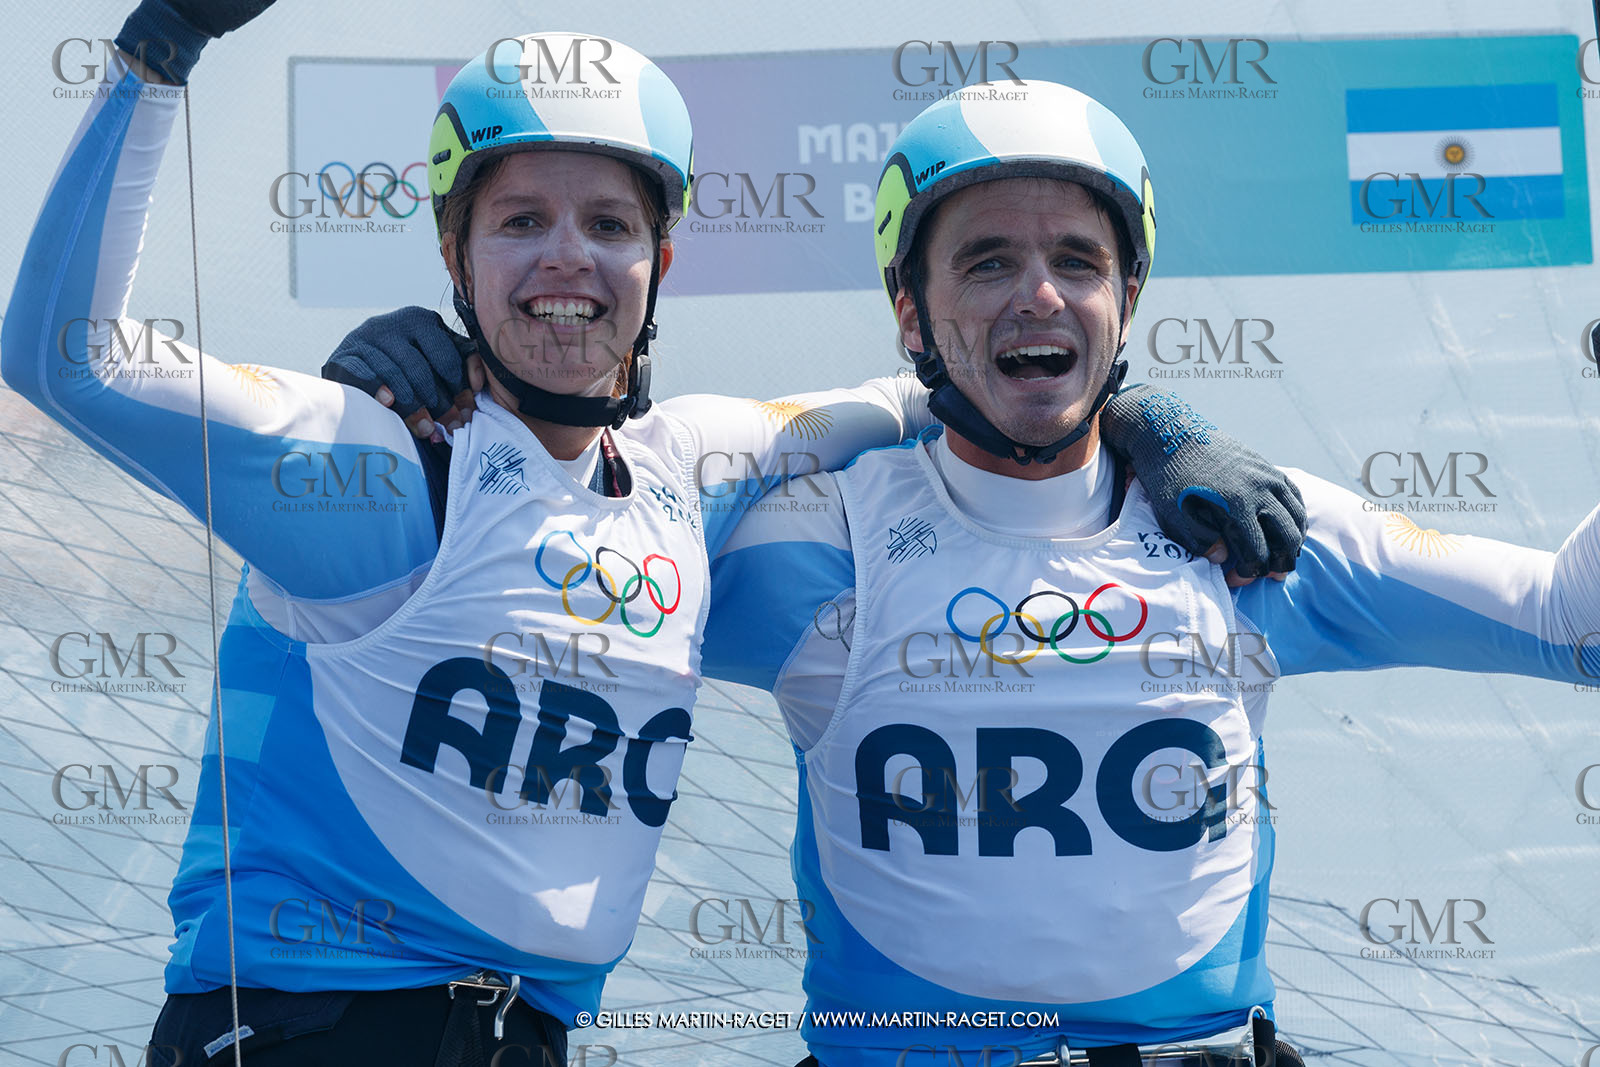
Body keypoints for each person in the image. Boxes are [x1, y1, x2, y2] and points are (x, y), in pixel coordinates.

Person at [0, 3, 1306, 1063]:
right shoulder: (374, 458)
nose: (566, 258)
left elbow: (959, 374)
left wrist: (1148, 412)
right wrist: (158, 53)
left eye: (609, 224)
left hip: (533, 1040)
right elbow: (71, 359)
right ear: (456, 258)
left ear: (661, 264)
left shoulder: (705, 462)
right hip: (299, 1031)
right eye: (520, 221)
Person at [689, 81, 1600, 1067]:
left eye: (1076, 261)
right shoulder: (822, 544)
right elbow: (569, 541)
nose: (1038, 292)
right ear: (910, 309)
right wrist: (893, 404)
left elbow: (1569, 622)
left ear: (1125, 301)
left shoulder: (1241, 529)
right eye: (987, 261)